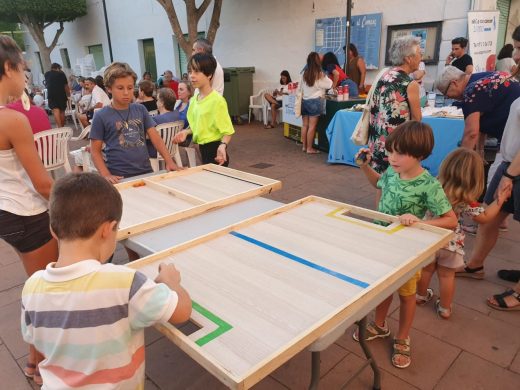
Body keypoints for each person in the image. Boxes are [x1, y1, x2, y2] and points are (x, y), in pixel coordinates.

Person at [21, 173, 192, 389]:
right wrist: (171, 281)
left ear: (53, 230)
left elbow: (35, 337)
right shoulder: (125, 284)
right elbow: (181, 312)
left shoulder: (32, 287)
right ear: (107, 229)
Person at [354, 121, 457, 369]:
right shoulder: (392, 171)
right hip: (382, 242)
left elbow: (451, 220)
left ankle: (402, 337)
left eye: (400, 153)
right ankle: (379, 324)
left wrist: (420, 221)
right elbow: (378, 183)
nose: (392, 157)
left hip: (407, 251)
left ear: (420, 154)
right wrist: (364, 166)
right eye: (390, 151)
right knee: (383, 287)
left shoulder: (429, 185)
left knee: (407, 294)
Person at [0, 34, 58, 386]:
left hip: (5, 214)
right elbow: (44, 184)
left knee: (37, 286)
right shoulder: (11, 120)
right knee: (47, 290)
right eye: (22, 68)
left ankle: (37, 360)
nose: (25, 76)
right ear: (8, 68)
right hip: (27, 212)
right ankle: (40, 365)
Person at [416, 148, 509, 319]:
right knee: (446, 276)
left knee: (426, 270)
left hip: (428, 239)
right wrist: (500, 200)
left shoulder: (431, 187)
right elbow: (485, 217)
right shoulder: (466, 200)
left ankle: (420, 297)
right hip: (451, 243)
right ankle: (445, 309)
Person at [90, 62, 180, 184]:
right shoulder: (101, 116)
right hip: (118, 177)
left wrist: (169, 161)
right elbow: (95, 151)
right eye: (120, 88)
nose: (126, 92)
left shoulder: (140, 109)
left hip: (146, 172)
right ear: (109, 89)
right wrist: (106, 174)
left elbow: (156, 138)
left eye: (130, 87)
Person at [368, 36, 422, 173]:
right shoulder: (410, 84)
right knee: (397, 185)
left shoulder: (383, 75)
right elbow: (417, 119)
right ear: (408, 58)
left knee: (380, 183)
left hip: (377, 141)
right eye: (419, 54)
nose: (421, 58)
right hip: (397, 146)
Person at [436, 66, 520, 151]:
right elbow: (480, 122)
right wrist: (480, 152)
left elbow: (471, 134)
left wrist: (461, 161)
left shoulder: (471, 92)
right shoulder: (484, 77)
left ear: (454, 83)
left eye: (445, 93)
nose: (448, 97)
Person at [174, 53, 234, 166]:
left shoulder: (217, 101)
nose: (192, 76)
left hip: (216, 154)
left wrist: (223, 145)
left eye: (197, 71)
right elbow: (199, 125)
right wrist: (186, 132)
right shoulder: (193, 100)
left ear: (209, 74)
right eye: (190, 71)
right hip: (200, 150)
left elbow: (228, 131)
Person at [301, 52, 332, 154]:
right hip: (314, 101)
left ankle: (304, 147)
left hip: (304, 101)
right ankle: (310, 148)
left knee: (305, 125)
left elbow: (300, 87)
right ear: (317, 61)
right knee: (312, 126)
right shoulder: (319, 73)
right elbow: (329, 84)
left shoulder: (304, 73)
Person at [149, 87, 181, 158]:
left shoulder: (156, 119)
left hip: (157, 151)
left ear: (162, 103)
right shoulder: (177, 114)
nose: (156, 102)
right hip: (172, 149)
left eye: (157, 100)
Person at [44, 62, 69, 127]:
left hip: (51, 95)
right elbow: (66, 86)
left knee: (55, 111)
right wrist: (68, 94)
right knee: (62, 111)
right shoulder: (61, 74)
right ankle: (62, 128)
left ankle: (59, 127)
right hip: (61, 95)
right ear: (58, 68)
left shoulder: (47, 74)